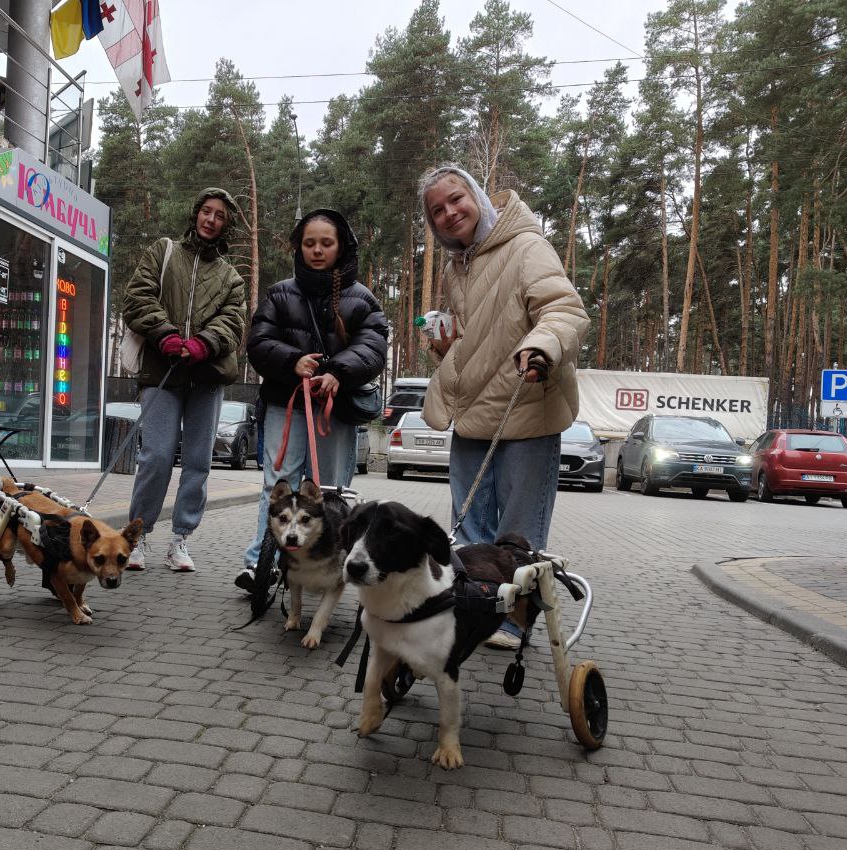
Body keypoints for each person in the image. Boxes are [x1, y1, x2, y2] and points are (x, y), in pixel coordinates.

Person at [419, 165, 590, 646]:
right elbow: (482, 334)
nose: (450, 213)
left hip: (527, 405)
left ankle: (517, 619)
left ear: (477, 196)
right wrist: (447, 341)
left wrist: (544, 346)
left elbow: (564, 309)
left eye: (457, 199)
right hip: (473, 413)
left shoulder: (526, 245)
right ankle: (477, 609)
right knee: (472, 528)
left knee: (518, 532)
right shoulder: (459, 264)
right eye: (437, 211)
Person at [236, 208, 388, 589]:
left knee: (332, 489)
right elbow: (258, 342)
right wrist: (293, 361)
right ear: (299, 247)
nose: (317, 250)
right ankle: (260, 564)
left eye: (326, 243)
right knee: (278, 485)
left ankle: (328, 565)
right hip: (285, 404)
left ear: (341, 247)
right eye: (309, 243)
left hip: (336, 409)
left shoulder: (363, 299)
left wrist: (338, 371)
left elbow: (373, 348)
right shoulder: (280, 292)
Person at [123, 187, 248, 572]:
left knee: (197, 462)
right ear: (196, 214)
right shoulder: (163, 253)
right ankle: (137, 536)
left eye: (220, 216)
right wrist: (165, 334)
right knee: (156, 456)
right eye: (206, 212)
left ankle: (180, 539)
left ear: (227, 225)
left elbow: (234, 321)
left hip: (206, 377)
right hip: (162, 371)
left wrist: (203, 343)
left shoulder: (231, 277)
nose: (211, 220)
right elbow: (138, 297)